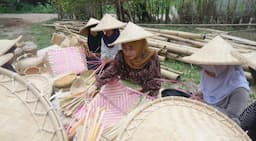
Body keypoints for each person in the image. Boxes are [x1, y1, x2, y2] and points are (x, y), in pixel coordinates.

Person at [183, 36, 250, 124]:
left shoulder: (240, 90)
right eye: (205, 69)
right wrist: (199, 95)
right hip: (202, 117)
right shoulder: (208, 73)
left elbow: (231, 117)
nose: (206, 74)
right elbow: (204, 90)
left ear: (221, 68)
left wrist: (204, 105)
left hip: (220, 126)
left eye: (209, 71)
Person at [96, 22, 161, 97]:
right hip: (125, 90)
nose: (127, 53)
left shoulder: (152, 57)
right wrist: (97, 84)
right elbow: (111, 71)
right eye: (125, 48)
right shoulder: (121, 55)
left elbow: (156, 81)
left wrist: (141, 89)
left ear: (140, 45)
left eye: (131, 48)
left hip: (146, 92)